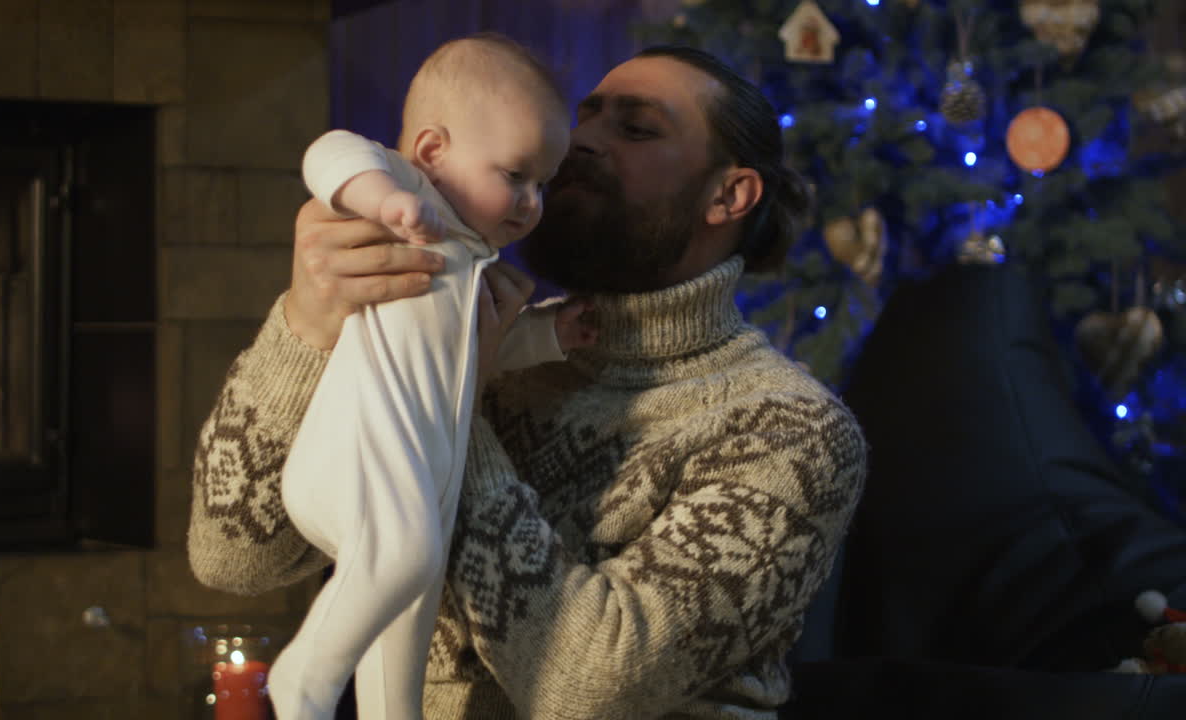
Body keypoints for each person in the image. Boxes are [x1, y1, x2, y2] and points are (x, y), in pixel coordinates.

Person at [189, 43, 868, 719]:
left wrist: (456, 401)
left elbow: (586, 688)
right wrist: (311, 322)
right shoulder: (472, 330)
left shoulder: (789, 428)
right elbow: (235, 561)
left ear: (729, 194)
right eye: (586, 116)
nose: (580, 144)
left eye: (634, 129)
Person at [266, 34, 591, 720]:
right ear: (434, 152)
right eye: (515, 175)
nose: (532, 202)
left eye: (544, 185)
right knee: (405, 552)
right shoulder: (414, 202)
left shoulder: (476, 264)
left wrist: (550, 335)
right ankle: (302, 680)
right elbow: (329, 152)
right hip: (353, 460)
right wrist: (382, 197)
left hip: (419, 477)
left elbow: (474, 354)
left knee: (406, 630)